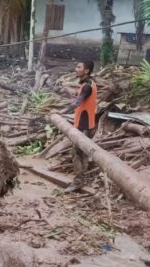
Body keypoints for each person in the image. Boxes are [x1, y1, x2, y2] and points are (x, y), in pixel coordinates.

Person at [58, 61, 98, 193]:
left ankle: (78, 182)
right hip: (88, 124)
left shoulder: (87, 86)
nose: (76, 69)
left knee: (76, 153)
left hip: (84, 126)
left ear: (86, 71)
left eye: (79, 67)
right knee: (83, 153)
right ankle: (82, 179)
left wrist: (63, 111)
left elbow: (78, 101)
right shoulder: (90, 83)